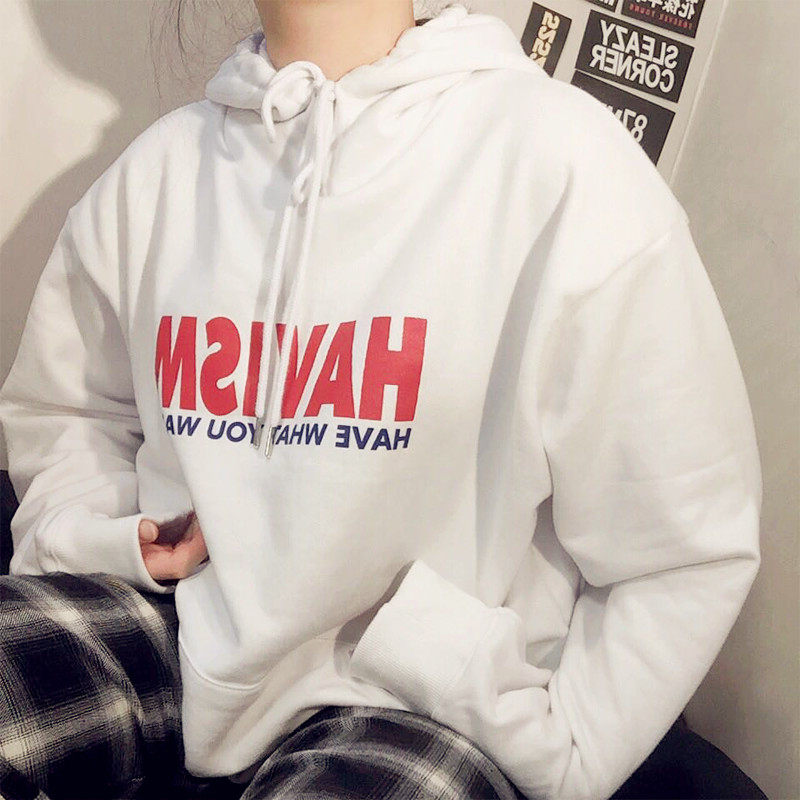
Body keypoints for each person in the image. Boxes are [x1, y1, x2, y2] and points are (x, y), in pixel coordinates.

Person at [0, 1, 763, 798]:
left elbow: (683, 538)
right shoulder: (156, 175)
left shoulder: (562, 167)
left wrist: (559, 748)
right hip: (174, 631)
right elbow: (68, 414)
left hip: (413, 700)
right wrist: (116, 541)